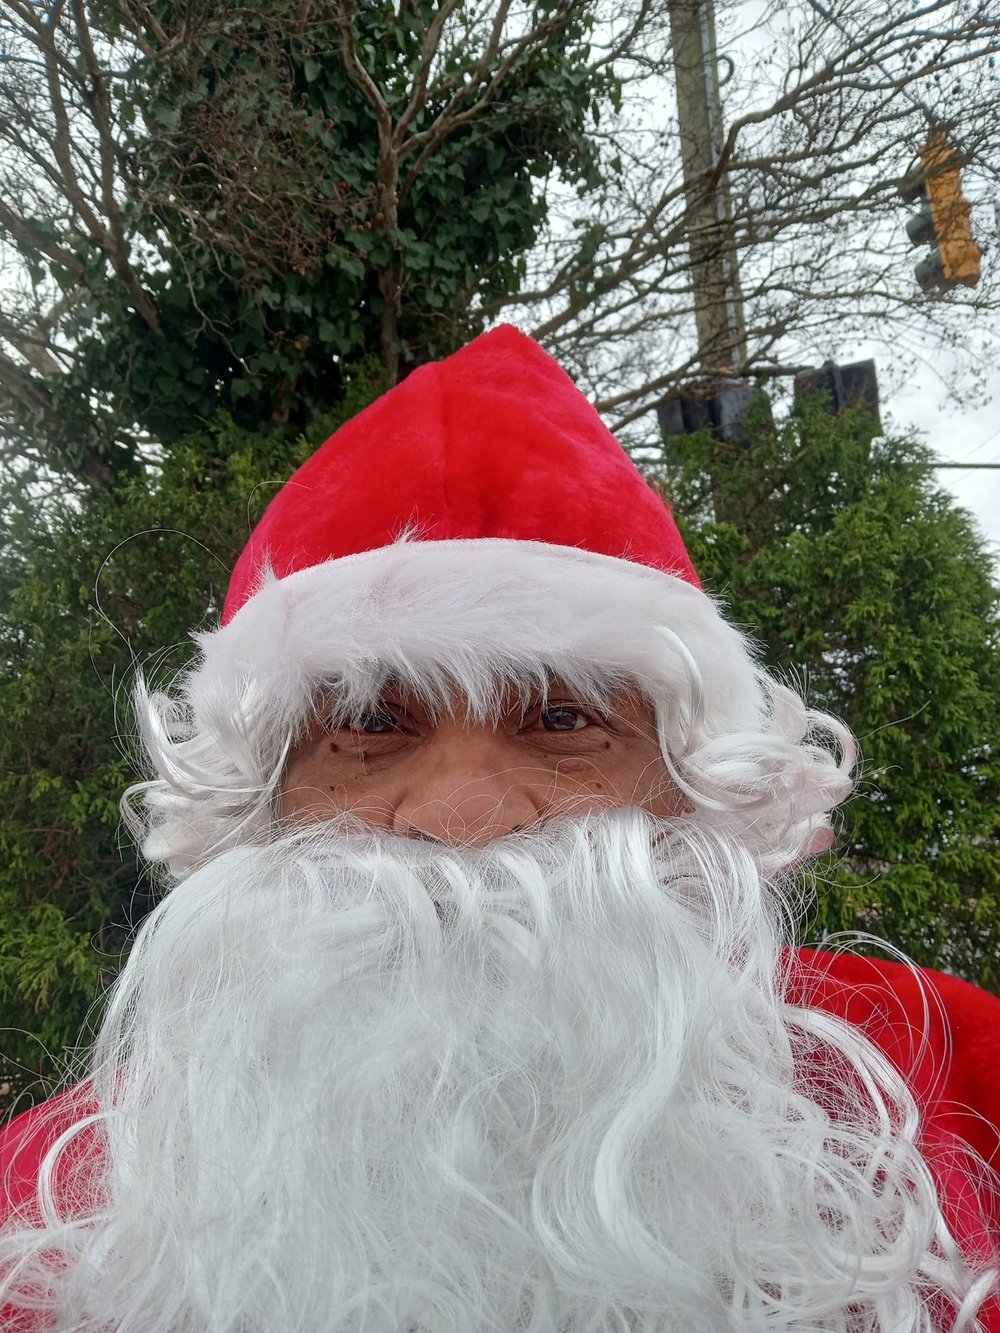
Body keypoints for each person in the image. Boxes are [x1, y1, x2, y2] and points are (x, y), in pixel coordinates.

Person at [0, 326, 998, 1332]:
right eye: (370, 725)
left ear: (694, 790)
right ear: (257, 805)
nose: (464, 820)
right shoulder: (51, 1197)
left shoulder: (960, 1074)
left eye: (564, 722)